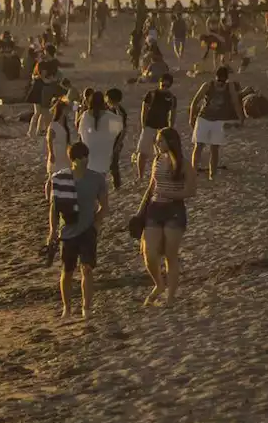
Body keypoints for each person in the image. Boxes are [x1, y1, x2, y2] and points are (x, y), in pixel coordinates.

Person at [47, 143, 109, 319]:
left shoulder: (96, 179)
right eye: (81, 157)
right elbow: (54, 208)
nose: (85, 160)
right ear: (72, 159)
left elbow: (105, 206)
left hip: (88, 231)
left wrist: (96, 226)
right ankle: (67, 308)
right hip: (67, 232)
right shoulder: (60, 179)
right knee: (67, 271)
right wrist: (52, 230)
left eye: (87, 156)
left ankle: (86, 308)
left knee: (87, 269)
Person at [137, 128, 196, 306]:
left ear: (170, 142)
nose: (157, 144)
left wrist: (168, 193)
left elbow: (190, 191)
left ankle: (170, 297)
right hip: (154, 208)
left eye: (160, 141)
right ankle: (159, 285)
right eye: (157, 141)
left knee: (170, 254)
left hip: (174, 210)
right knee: (149, 254)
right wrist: (141, 210)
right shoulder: (157, 160)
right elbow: (151, 187)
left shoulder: (184, 164)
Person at [188, 66, 245, 180]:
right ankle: (193, 173)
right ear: (216, 78)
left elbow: (235, 102)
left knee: (214, 149)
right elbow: (195, 102)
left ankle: (212, 175)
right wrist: (191, 118)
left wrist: (241, 117)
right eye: (219, 80)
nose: (221, 83)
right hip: (204, 118)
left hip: (218, 121)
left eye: (223, 81)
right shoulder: (208, 85)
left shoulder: (230, 87)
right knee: (199, 146)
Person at [136, 73, 177, 180]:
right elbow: (144, 109)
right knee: (143, 152)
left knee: (162, 154)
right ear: (159, 83)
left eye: (167, 86)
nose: (164, 88)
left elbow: (172, 114)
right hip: (149, 126)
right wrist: (143, 124)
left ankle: (160, 175)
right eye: (163, 85)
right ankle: (140, 176)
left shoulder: (172, 98)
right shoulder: (152, 94)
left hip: (162, 128)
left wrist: (170, 128)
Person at [77, 91, 124, 181]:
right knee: (101, 177)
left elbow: (81, 132)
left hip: (90, 150)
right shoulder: (110, 116)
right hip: (104, 151)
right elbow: (118, 129)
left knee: (90, 176)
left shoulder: (85, 115)